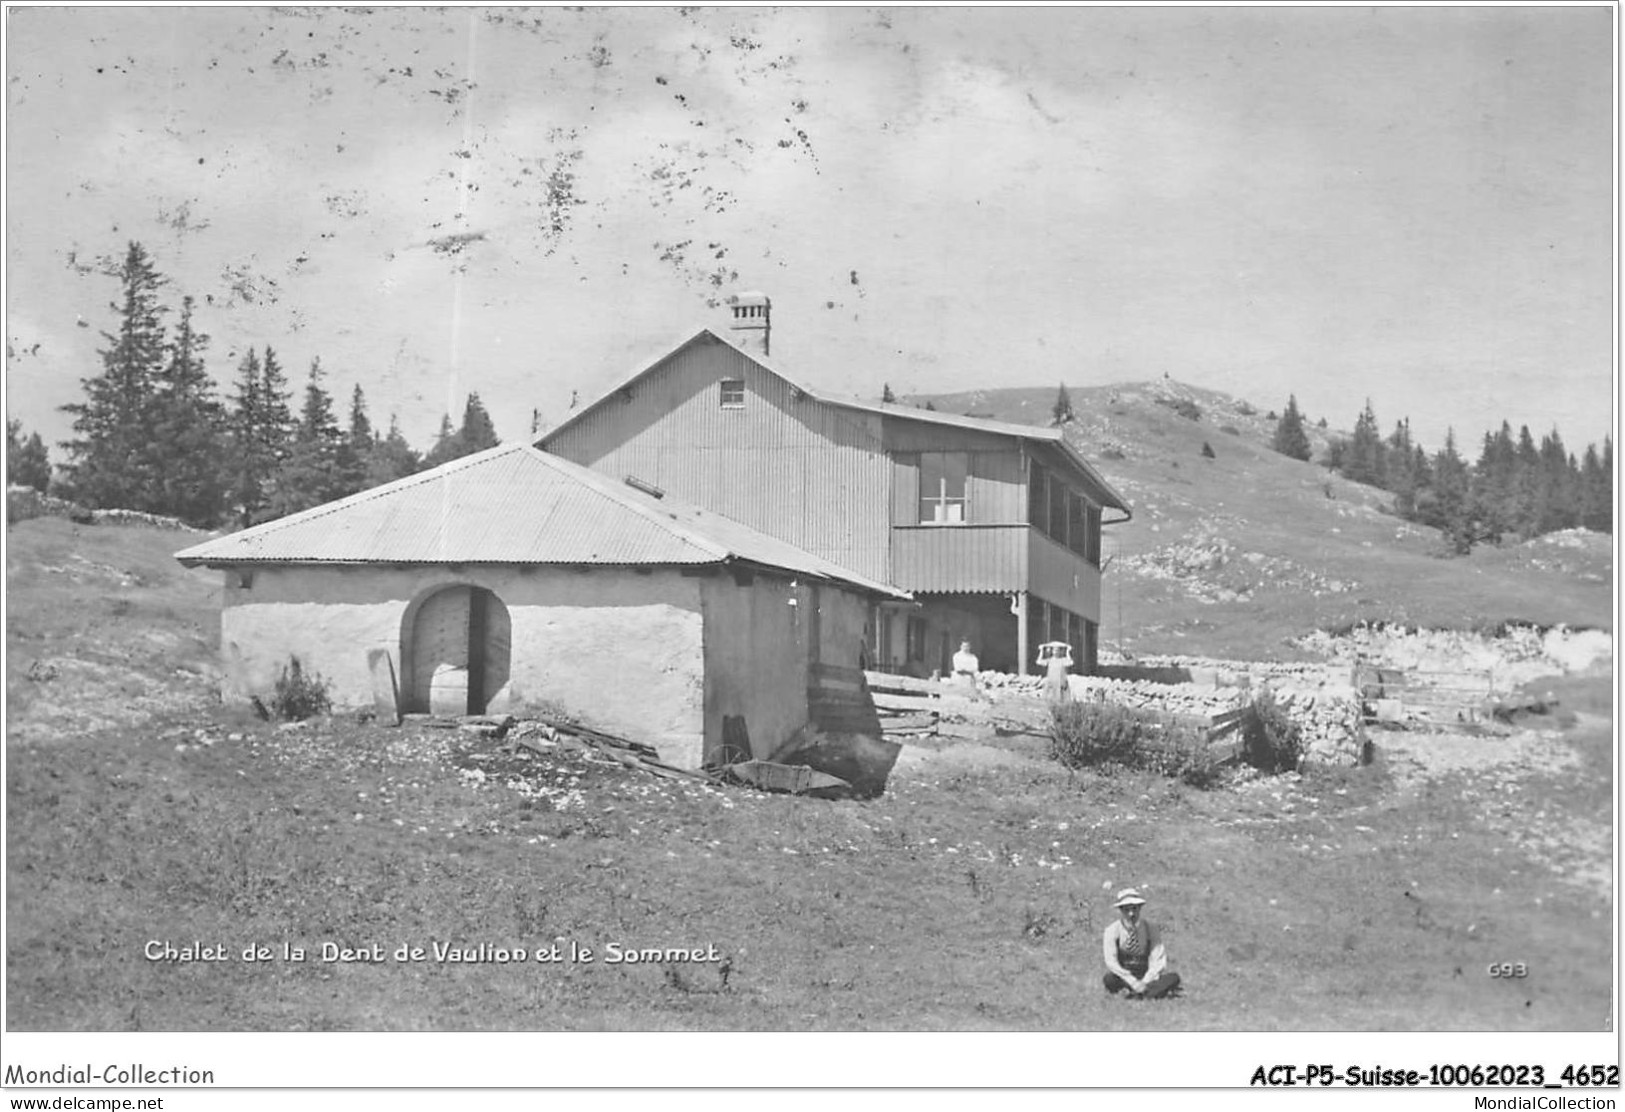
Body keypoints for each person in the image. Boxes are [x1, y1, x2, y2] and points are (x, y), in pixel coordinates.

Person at [1102, 888, 1181, 999]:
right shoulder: (1112, 931)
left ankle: (1138, 994)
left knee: (1174, 978)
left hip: (1146, 974)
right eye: (1126, 910)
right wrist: (1132, 981)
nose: (1131, 914)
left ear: (1140, 909)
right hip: (1124, 976)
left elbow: (1158, 959)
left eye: (1134, 909)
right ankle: (1147, 994)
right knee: (1109, 979)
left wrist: (1145, 981)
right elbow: (1111, 961)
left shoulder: (1151, 929)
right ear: (1121, 910)